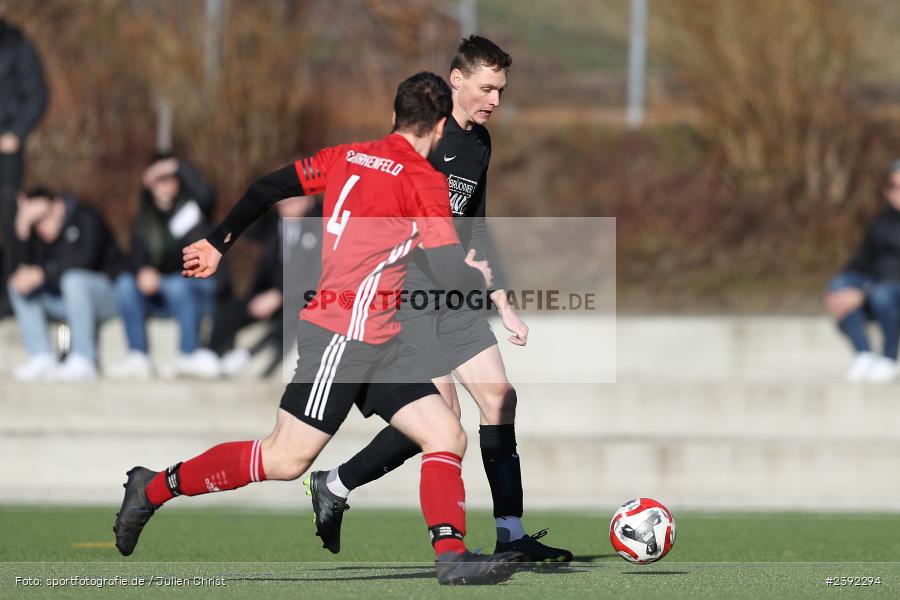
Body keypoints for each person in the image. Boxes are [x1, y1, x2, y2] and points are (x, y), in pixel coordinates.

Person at [113, 72, 523, 585]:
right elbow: (446, 271)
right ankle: (152, 487)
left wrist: (218, 242)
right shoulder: (424, 182)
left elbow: (267, 188)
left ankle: (451, 555)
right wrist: (480, 277)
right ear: (441, 126)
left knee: (445, 432)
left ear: (394, 116)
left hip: (380, 335)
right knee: (285, 459)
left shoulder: (347, 156)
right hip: (343, 335)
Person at [307, 35, 572, 564]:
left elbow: (476, 225)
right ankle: (347, 489)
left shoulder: (480, 143)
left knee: (500, 397)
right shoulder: (421, 137)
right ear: (457, 81)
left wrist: (503, 299)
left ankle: (511, 534)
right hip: (406, 295)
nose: (495, 100)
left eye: (500, 90)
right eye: (487, 88)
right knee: (442, 422)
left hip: (454, 292)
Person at [109, 154, 221, 379]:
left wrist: (175, 165)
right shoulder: (144, 219)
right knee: (125, 285)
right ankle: (137, 356)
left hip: (196, 287)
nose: (166, 184)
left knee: (178, 285)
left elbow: (208, 194)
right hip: (160, 291)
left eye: (170, 178)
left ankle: (187, 354)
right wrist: (142, 271)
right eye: (159, 179)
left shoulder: (194, 208)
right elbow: (136, 255)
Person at [7, 188, 120, 380]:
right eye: (35, 223)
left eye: (43, 217)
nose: (41, 226)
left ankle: (84, 359)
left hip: (106, 296)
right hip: (65, 303)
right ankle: (40, 356)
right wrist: (23, 228)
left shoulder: (85, 216)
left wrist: (43, 274)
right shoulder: (37, 235)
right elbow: (19, 270)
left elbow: (85, 259)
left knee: (73, 280)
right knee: (16, 284)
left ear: (58, 206)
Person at [207, 195, 323, 378]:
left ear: (308, 201)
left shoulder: (321, 228)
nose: (286, 206)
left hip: (301, 298)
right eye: (282, 201)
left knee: (295, 314)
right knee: (229, 310)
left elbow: (315, 277)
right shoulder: (272, 224)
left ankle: (248, 356)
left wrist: (280, 296)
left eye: (293, 201)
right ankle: (211, 355)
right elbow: (247, 228)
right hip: (266, 294)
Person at [824, 159, 900, 383]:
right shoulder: (881, 222)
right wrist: (838, 291)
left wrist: (863, 293)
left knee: (882, 295)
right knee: (839, 285)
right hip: (877, 285)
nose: (898, 193)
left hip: (888, 291)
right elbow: (862, 261)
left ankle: (889, 358)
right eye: (894, 187)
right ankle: (864, 354)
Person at [0, 1, 48, 318]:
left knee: (8, 220)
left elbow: (37, 94)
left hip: (5, 150)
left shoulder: (18, 44)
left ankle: (9, 298)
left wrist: (16, 133)